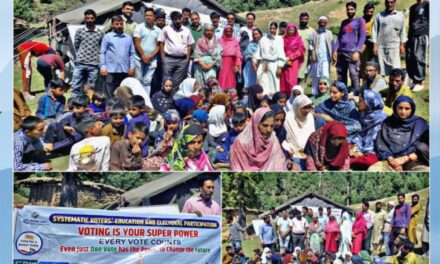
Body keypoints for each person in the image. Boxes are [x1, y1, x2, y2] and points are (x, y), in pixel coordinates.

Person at [371, 96, 429, 171]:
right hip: (390, 160)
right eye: (400, 108)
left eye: (407, 109)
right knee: (374, 170)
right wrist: (393, 162)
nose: (403, 112)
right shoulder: (388, 122)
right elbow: (382, 144)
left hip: (413, 160)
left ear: (412, 109)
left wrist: (405, 159)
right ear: (395, 108)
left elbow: (427, 147)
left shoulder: (420, 124)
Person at [334, 1, 366, 95]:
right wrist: (335, 50)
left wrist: (358, 51)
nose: (350, 11)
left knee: (354, 75)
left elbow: (362, 36)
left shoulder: (360, 21)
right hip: (341, 52)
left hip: (352, 53)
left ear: (355, 10)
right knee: (340, 74)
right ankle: (342, 94)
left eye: (352, 9)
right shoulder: (344, 22)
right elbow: (340, 37)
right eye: (348, 9)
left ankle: (356, 95)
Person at [350, 90, 387, 170]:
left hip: (373, 149)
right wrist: (356, 148)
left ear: (368, 103)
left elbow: (378, 139)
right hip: (360, 145)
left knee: (370, 160)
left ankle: (351, 161)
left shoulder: (382, 118)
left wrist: (364, 151)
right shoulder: (362, 114)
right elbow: (359, 133)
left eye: (361, 101)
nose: (358, 103)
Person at [100, 15, 135, 99]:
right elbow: (102, 53)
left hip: (125, 70)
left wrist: (132, 67)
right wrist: (103, 67)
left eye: (121, 24)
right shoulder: (107, 37)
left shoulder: (128, 38)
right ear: (112, 25)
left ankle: (121, 110)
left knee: (123, 92)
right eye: (116, 24)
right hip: (111, 70)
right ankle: (110, 110)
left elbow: (132, 53)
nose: (119, 26)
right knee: (110, 93)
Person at [158, 11, 195, 92]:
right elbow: (161, 44)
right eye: (175, 19)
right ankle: (164, 100)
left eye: (179, 19)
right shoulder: (166, 29)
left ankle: (172, 101)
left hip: (182, 61)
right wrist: (163, 58)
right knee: (166, 81)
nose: (178, 21)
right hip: (168, 59)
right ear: (172, 20)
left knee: (177, 82)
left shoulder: (186, 30)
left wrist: (187, 59)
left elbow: (189, 45)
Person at [71, 9, 104, 97]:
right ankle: (73, 104)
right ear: (85, 18)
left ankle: (89, 106)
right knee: (75, 86)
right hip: (80, 63)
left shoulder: (100, 33)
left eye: (92, 18)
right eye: (87, 18)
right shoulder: (80, 31)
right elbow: (76, 45)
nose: (90, 20)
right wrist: (82, 55)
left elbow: (101, 48)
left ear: (95, 18)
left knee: (91, 87)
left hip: (94, 64)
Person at [371, 0, 407, 76]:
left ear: (395, 2)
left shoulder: (400, 15)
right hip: (381, 47)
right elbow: (374, 32)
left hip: (395, 46)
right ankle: (384, 86)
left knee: (396, 70)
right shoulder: (379, 16)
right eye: (387, 2)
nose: (389, 4)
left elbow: (403, 32)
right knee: (382, 70)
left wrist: (402, 45)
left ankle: (395, 86)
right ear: (385, 3)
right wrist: (375, 46)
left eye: (392, 2)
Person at [133, 7, 161, 95]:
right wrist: (143, 56)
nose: (148, 17)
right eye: (146, 15)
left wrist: (150, 56)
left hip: (152, 60)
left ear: (154, 17)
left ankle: (146, 102)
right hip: (139, 58)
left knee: (147, 81)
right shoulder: (139, 27)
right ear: (144, 16)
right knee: (138, 80)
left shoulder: (158, 30)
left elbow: (159, 46)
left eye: (150, 15)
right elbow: (137, 43)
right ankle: (137, 101)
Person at [254, 23, 286, 98]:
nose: (272, 30)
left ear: (276, 29)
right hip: (263, 64)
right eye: (270, 28)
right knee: (262, 82)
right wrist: (254, 62)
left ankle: (273, 99)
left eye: (274, 28)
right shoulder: (263, 39)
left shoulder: (279, 39)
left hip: (274, 65)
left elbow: (281, 54)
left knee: (273, 83)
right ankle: (263, 99)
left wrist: (279, 66)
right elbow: (258, 52)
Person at [283, 94, 315, 165]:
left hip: (308, 150)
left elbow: (312, 135)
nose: (307, 110)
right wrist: (301, 150)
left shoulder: (310, 116)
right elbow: (293, 138)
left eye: (309, 108)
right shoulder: (290, 117)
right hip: (294, 149)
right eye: (304, 108)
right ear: (297, 107)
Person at [406, 0, 429, 91]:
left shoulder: (428, 5)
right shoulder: (412, 7)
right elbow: (410, 23)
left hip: (422, 33)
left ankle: (420, 81)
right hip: (412, 34)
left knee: (419, 57)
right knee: (410, 57)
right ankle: (414, 81)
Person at [310, 16, 334, 96]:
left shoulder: (329, 33)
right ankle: (315, 94)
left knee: (325, 75)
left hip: (326, 58)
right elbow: (310, 44)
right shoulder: (314, 33)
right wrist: (312, 51)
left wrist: (334, 54)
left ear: (326, 23)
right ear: (318, 23)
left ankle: (326, 94)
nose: (322, 23)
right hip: (316, 58)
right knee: (315, 76)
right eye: (321, 22)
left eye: (324, 22)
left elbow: (332, 45)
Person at [280, 23, 305, 97]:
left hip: (294, 61)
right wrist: (284, 58)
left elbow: (301, 50)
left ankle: (292, 95)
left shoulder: (298, 39)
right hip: (284, 60)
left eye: (292, 30)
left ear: (295, 30)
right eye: (289, 30)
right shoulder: (283, 38)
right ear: (287, 30)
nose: (291, 31)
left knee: (291, 79)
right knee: (284, 79)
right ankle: (284, 96)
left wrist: (291, 57)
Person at [219, 26, 241, 90]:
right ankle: (222, 92)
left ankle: (231, 93)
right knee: (222, 77)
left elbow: (238, 53)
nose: (228, 33)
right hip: (222, 61)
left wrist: (237, 65)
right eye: (226, 31)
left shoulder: (235, 41)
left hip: (232, 62)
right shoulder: (220, 40)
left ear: (232, 32)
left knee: (231, 78)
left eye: (230, 31)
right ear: (224, 32)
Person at [297, 12, 316, 85]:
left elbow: (315, 44)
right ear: (299, 19)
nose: (304, 20)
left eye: (305, 19)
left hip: (306, 57)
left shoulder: (312, 31)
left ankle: (301, 91)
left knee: (304, 75)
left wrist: (312, 56)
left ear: (308, 20)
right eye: (302, 19)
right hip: (295, 57)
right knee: (295, 75)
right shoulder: (295, 30)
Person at [360, 3, 376, 80]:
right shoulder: (360, 21)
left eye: (371, 12)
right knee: (360, 66)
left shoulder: (373, 22)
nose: (369, 13)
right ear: (364, 11)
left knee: (369, 66)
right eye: (367, 11)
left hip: (370, 47)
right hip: (360, 47)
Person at [187, 11, 205, 77]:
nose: (194, 21)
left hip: (201, 58)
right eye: (192, 19)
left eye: (196, 19)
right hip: (191, 58)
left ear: (199, 18)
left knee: (199, 77)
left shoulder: (204, 29)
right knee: (190, 77)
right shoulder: (188, 29)